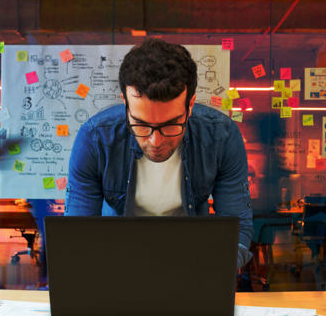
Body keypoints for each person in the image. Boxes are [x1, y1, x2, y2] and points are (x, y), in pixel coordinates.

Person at [65, 39, 253, 268]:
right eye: (141, 124)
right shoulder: (95, 139)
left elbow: (237, 229)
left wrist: (216, 272)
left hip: (195, 262)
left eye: (171, 125)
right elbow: (78, 235)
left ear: (190, 105)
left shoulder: (221, 137)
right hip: (118, 262)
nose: (155, 141)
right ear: (125, 103)